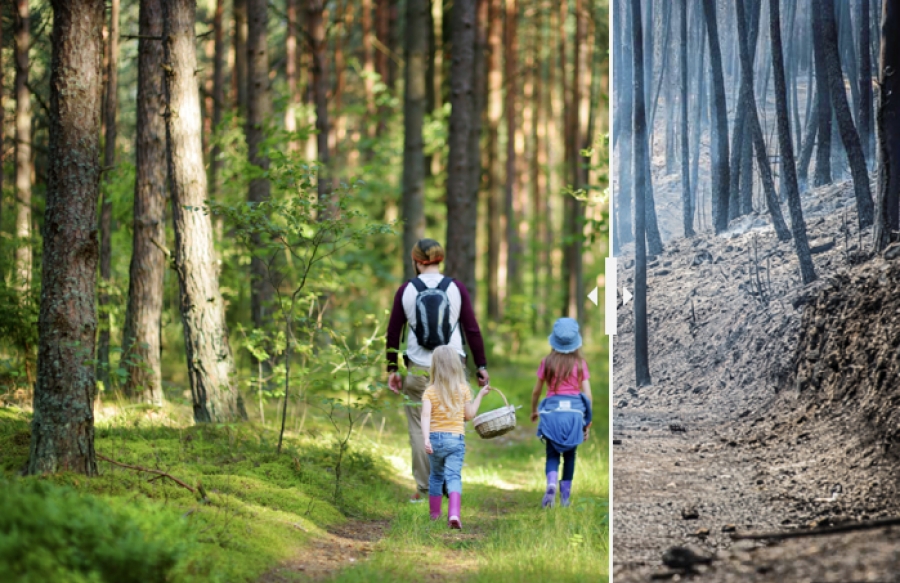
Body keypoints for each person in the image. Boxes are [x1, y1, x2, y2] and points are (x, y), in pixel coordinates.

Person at [386, 239, 490, 502]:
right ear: (439, 259)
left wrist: (392, 369)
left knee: (419, 428)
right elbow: (472, 328)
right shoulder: (456, 288)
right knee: (453, 423)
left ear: (416, 260)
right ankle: (448, 481)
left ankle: (424, 490)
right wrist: (481, 366)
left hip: (419, 368)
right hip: (453, 365)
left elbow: (393, 332)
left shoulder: (406, 290)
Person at [420, 345, 492, 528]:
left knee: (436, 476)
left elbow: (426, 416)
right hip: (455, 440)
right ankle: (454, 514)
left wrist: (426, 439)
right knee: (453, 477)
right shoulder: (463, 389)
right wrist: (481, 395)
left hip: (435, 440)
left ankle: (435, 514)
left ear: (434, 366)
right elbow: (469, 415)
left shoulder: (429, 391)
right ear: (456, 365)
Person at [530, 317, 593, 508]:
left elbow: (536, 391)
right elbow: (588, 395)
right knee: (570, 455)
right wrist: (586, 422)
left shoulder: (546, 362)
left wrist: (534, 410)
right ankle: (565, 498)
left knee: (552, 454)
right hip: (574, 415)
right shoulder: (580, 364)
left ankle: (551, 483)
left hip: (552, 413)